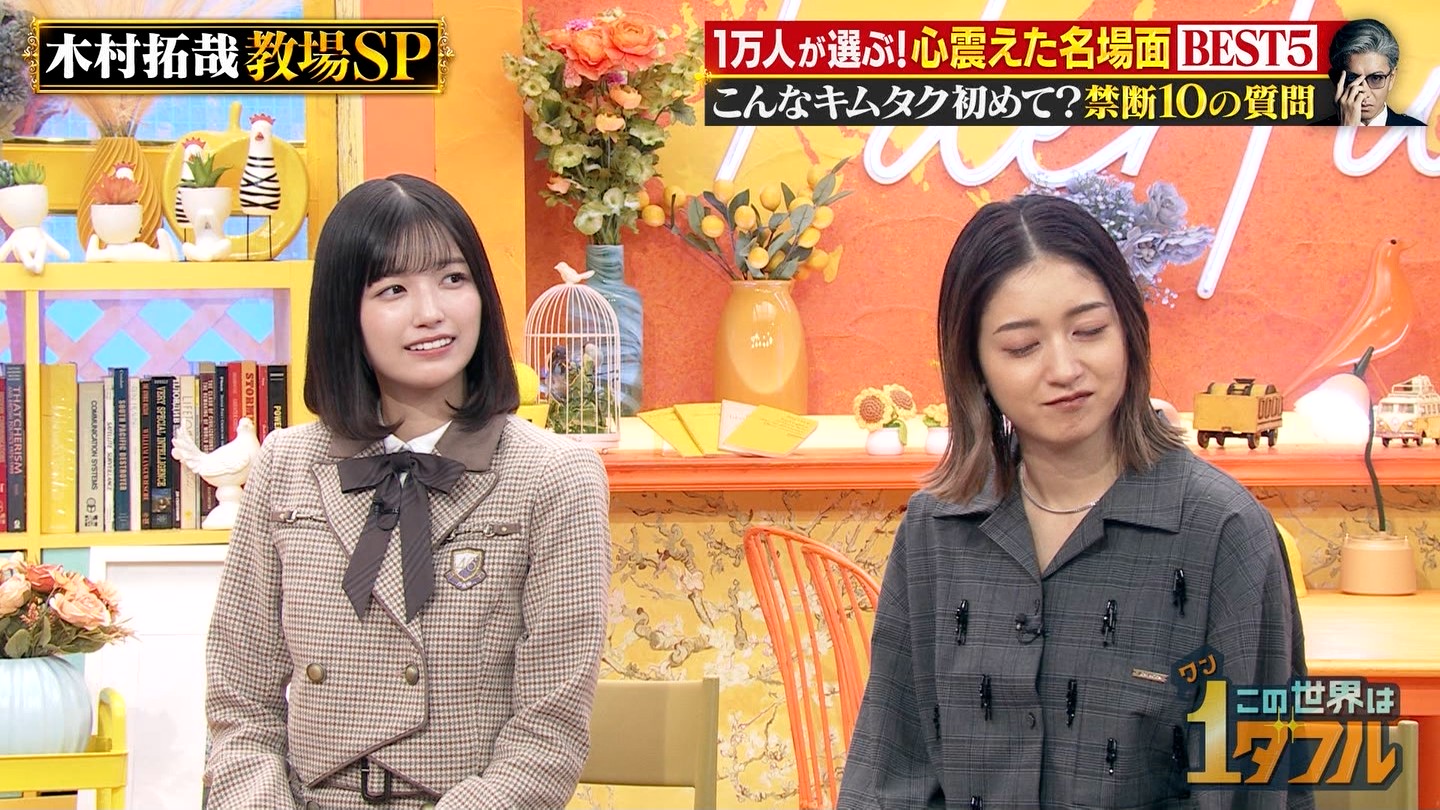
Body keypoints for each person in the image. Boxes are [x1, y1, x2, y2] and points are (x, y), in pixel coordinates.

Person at [837, 194, 1310, 809]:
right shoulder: (936, 528)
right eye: (1022, 347)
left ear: (1129, 331)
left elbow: (1254, 790)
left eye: (1089, 331)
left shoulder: (1225, 532)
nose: (1064, 368)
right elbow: (890, 773)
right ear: (975, 366)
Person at [203, 175, 612, 810]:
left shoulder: (557, 476)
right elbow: (240, 705)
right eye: (393, 289)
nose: (431, 312)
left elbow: (548, 736)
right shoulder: (285, 465)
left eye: (453, 278)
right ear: (344, 314)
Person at [1317, 18, 1424, 126]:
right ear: (1335, 79)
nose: (1364, 94)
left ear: (1392, 78)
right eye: (1352, 79)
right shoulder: (1309, 133)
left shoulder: (1420, 131)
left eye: (1376, 78)